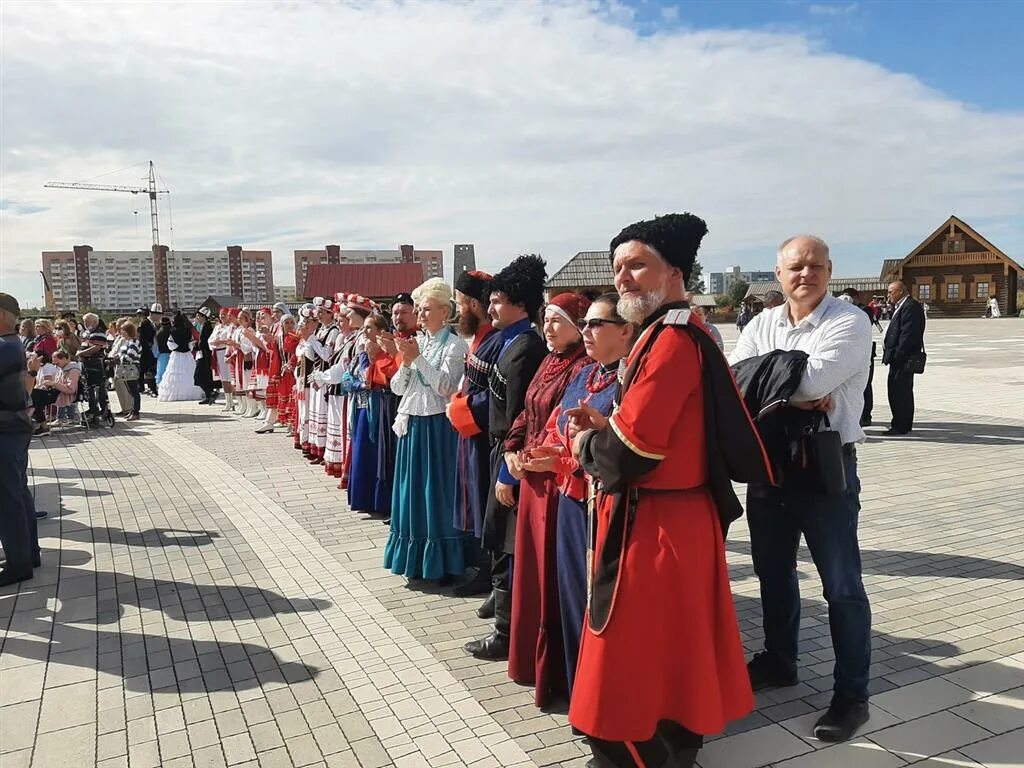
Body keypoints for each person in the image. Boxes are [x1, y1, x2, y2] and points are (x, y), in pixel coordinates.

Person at [566, 214, 774, 768]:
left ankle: (640, 755)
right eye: (618, 269)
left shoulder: (671, 340)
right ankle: (674, 750)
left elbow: (629, 454)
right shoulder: (677, 331)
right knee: (674, 652)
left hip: (656, 526)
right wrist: (606, 428)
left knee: (627, 658)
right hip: (673, 517)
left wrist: (585, 442)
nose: (624, 279)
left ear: (676, 272)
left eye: (638, 265)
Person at [730, 234, 872, 744]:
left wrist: (779, 380)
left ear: (829, 271)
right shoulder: (761, 322)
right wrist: (789, 379)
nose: (805, 274)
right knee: (772, 572)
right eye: (795, 266)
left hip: (824, 467)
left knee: (842, 586)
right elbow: (735, 382)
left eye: (815, 265)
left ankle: (852, 694)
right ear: (779, 272)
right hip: (769, 467)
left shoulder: (850, 321)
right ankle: (779, 660)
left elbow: (812, 385)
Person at [521, 293, 635, 704]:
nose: (585, 331)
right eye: (583, 324)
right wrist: (546, 453)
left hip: (601, 505)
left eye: (595, 324)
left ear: (625, 331)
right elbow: (557, 425)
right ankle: (576, 687)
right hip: (570, 502)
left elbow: (622, 449)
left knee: (599, 605)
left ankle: (603, 699)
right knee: (572, 599)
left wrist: (567, 460)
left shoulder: (630, 380)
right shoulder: (583, 373)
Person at [507, 292, 592, 706]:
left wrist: (539, 458)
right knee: (532, 573)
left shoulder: (584, 367)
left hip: (557, 484)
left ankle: (556, 672)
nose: (549, 328)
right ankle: (528, 660)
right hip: (532, 477)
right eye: (547, 320)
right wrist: (513, 449)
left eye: (558, 320)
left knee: (553, 579)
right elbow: (527, 410)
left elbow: (564, 425)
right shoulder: (549, 360)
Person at [465, 254, 548, 661]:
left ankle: (506, 631)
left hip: (510, 453)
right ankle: (503, 613)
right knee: (498, 538)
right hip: (498, 446)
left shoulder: (526, 346)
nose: (490, 307)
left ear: (519, 302)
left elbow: (521, 415)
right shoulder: (511, 341)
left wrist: (509, 470)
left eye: (497, 300)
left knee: (506, 541)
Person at [383, 278, 470, 582]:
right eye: (418, 309)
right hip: (413, 422)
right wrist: (407, 363)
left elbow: (447, 386)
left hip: (437, 426)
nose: (419, 315)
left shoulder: (455, 344)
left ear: (445, 312)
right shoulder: (422, 342)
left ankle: (442, 561)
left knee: (436, 491)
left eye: (426, 309)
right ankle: (415, 559)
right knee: (412, 489)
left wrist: (416, 358)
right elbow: (397, 388)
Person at [447, 270, 505, 600]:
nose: (457, 309)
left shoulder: (494, 339)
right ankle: (484, 570)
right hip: (471, 433)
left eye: (459, 302)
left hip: (483, 435)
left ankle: (490, 577)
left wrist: (461, 409)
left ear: (472, 303)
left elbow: (495, 395)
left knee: (485, 500)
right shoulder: (481, 336)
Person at [0, 293, 40, 586]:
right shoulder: (14, 345)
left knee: (8, 499)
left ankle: (19, 562)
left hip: (5, 429)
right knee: (19, 493)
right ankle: (28, 552)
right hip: (15, 427)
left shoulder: (4, 347)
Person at [882, 281, 926, 436]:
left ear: (900, 291)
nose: (888, 296)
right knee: (897, 390)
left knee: (901, 392)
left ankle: (901, 425)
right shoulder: (902, 306)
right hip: (898, 358)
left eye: (890, 292)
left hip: (902, 359)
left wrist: (897, 354)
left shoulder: (910, 307)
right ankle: (900, 423)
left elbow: (908, 334)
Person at [157, 312, 205, 402]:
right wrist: (187, 348)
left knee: (174, 373)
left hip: (176, 355)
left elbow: (170, 344)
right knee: (188, 373)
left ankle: (175, 392)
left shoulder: (172, 330)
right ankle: (187, 392)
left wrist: (177, 348)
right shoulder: (187, 330)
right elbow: (191, 342)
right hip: (187, 355)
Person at [77, 313, 110, 422]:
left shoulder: (99, 333)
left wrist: (81, 353)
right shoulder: (86, 333)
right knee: (89, 388)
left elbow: (96, 348)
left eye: (88, 321)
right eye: (85, 321)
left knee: (98, 388)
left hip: (95, 364)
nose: (85, 324)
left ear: (95, 322)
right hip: (86, 365)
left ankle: (103, 410)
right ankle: (93, 409)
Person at [116, 321, 143, 420]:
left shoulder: (134, 342)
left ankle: (136, 412)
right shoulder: (128, 342)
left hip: (132, 368)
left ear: (127, 331)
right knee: (131, 391)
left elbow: (130, 357)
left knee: (134, 391)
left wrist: (120, 357)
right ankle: (132, 410)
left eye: (122, 330)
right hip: (127, 369)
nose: (121, 332)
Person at [193, 307, 216, 404]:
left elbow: (203, 342)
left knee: (199, 375)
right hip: (203, 353)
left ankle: (210, 392)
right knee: (205, 375)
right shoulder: (203, 325)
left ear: (203, 317)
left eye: (199, 315)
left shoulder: (206, 326)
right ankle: (209, 395)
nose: (197, 317)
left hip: (204, 354)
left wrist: (196, 346)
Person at [155, 315, 172, 387]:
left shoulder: (159, 332)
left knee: (161, 372)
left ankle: (160, 387)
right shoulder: (171, 331)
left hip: (162, 354)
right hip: (171, 353)